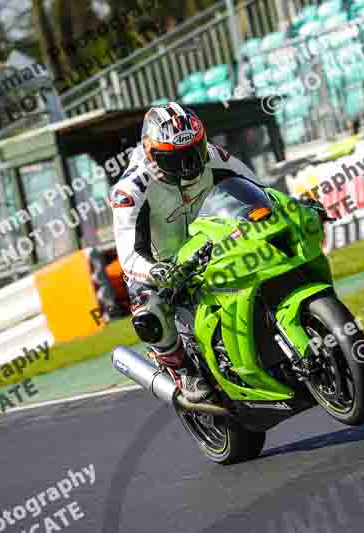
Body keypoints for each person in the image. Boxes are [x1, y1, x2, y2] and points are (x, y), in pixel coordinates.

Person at [110, 102, 260, 402]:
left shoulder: (213, 157)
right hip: (158, 265)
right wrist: (154, 271)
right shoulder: (130, 190)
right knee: (148, 307)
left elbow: (258, 188)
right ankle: (182, 369)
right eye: (175, 158)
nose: (189, 165)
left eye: (194, 151)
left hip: (210, 246)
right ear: (152, 154)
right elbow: (127, 256)